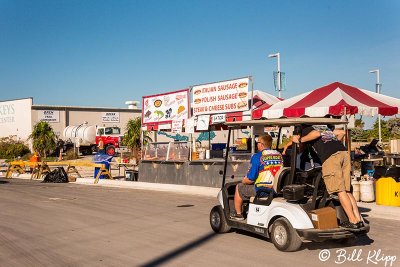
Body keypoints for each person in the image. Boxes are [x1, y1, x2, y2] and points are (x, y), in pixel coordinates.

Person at [291, 124, 362, 229]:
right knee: (347, 190)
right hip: (343, 153)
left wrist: (301, 140)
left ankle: (352, 221)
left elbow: (315, 134)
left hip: (331, 158)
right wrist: (333, 146)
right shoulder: (322, 127)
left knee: (340, 190)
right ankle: (358, 219)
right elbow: (341, 133)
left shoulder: (306, 129)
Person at [231, 134, 283, 221]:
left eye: (257, 142)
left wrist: (243, 180)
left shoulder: (257, 157)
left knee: (239, 187)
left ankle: (238, 214)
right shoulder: (279, 155)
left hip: (263, 190)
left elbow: (250, 179)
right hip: (277, 188)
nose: (256, 144)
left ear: (261, 144)